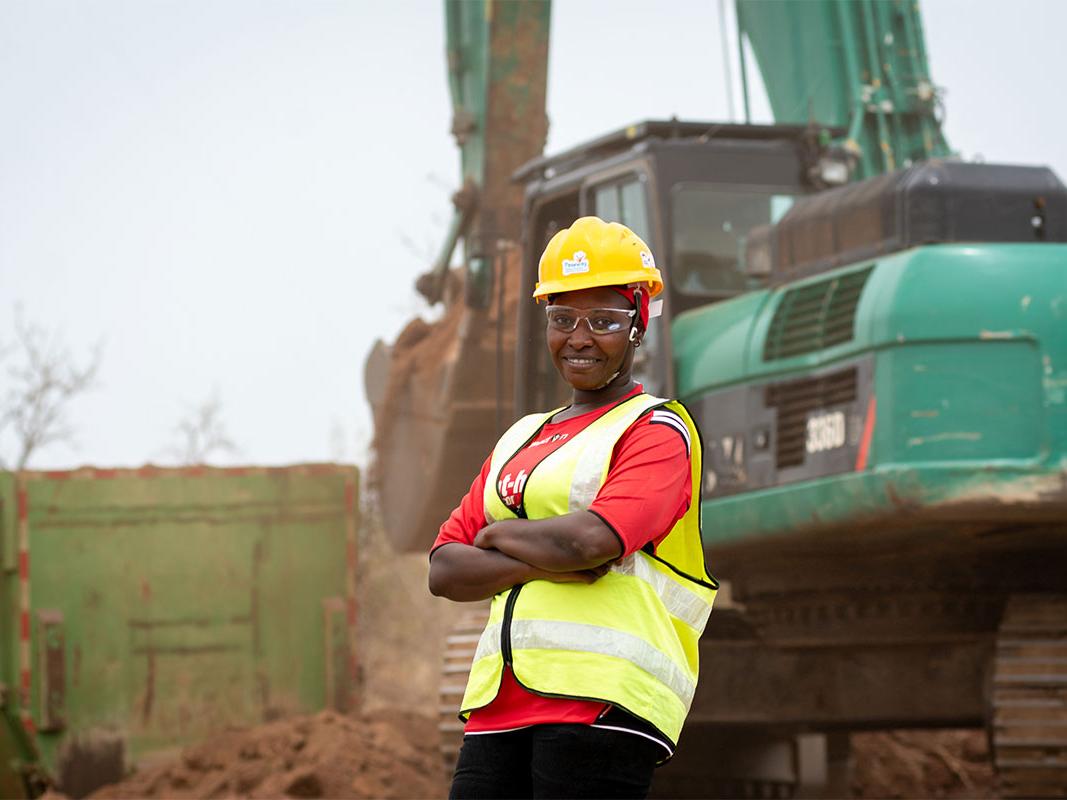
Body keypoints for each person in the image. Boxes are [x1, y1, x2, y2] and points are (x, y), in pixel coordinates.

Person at [428, 216, 717, 800]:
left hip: (600, 701)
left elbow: (592, 543)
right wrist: (545, 556)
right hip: (497, 705)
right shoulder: (520, 438)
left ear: (639, 325)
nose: (579, 338)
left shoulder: (656, 430)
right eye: (562, 320)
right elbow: (444, 569)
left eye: (604, 321)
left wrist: (498, 536)